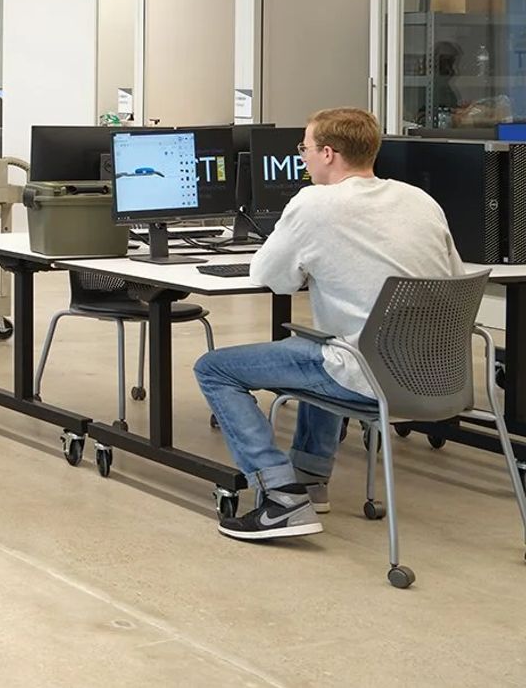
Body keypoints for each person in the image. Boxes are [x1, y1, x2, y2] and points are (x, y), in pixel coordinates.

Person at [193, 107, 465, 542]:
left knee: (216, 368)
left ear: (328, 153)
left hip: (366, 375)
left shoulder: (314, 203)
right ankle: (311, 479)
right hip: (437, 376)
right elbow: (452, 279)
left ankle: (280, 496)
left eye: (304, 148)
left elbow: (271, 278)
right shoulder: (420, 200)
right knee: (323, 342)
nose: (300, 158)